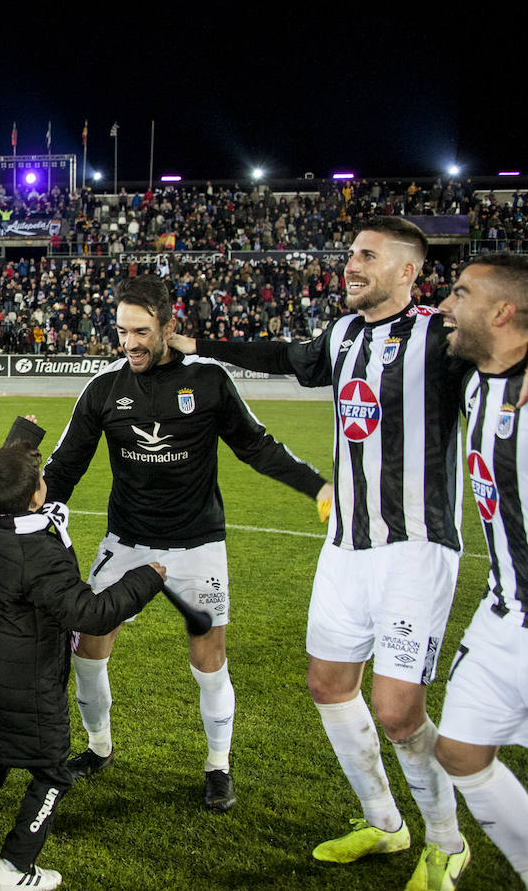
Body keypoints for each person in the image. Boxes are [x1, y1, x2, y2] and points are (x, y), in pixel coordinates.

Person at [171, 216, 470, 890]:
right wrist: (199, 343)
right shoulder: (339, 335)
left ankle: (447, 841)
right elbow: (284, 357)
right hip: (344, 547)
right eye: (350, 253)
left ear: (407, 271)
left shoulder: (442, 337)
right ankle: (384, 825)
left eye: (368, 255)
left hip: (415, 548)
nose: (351, 263)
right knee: (329, 685)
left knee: (398, 710)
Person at [44, 275, 330, 813]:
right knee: (87, 649)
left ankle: (217, 765)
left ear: (170, 329)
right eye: (123, 330)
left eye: (142, 331)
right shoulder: (104, 387)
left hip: (198, 544)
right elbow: (66, 465)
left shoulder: (208, 381)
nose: (130, 342)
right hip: (126, 542)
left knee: (209, 660)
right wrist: (28, 514)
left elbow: (257, 447)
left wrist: (316, 486)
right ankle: (99, 747)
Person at [0, 417, 205, 891]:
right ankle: (15, 868)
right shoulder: (39, 553)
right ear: (36, 497)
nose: (45, 485)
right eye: (41, 481)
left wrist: (21, 437)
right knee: (53, 773)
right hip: (34, 679)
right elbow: (93, 613)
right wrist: (148, 578)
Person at [435, 254, 528, 887]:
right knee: (461, 752)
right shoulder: (474, 380)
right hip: (503, 614)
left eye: (461, 293)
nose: (446, 304)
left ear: (503, 312)